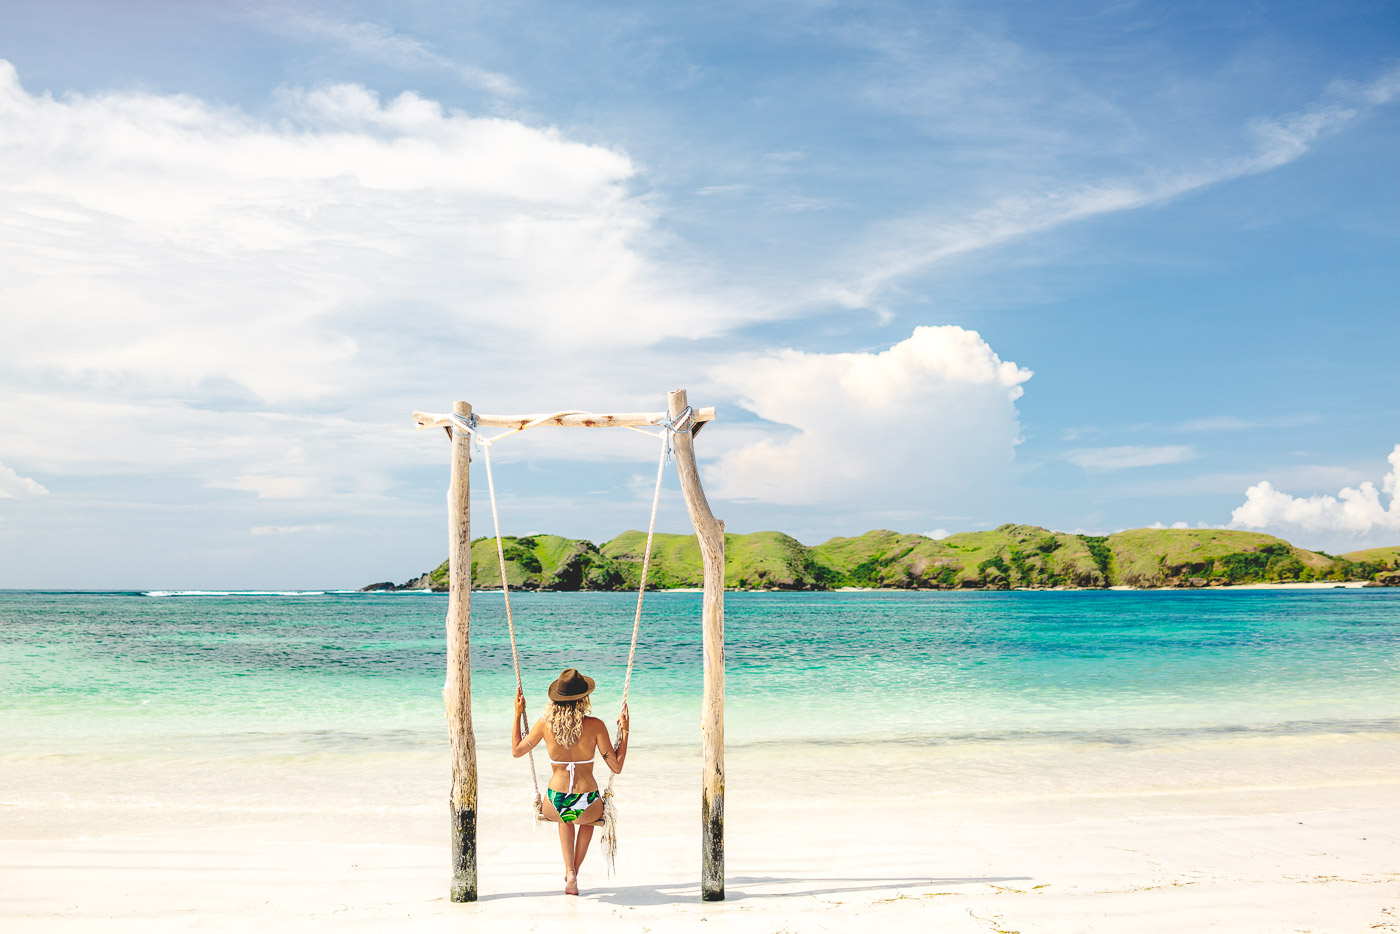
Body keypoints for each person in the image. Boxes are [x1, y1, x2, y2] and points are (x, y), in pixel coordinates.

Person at [512, 667, 629, 895]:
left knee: (565, 819)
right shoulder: (595, 725)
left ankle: (570, 871)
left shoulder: (545, 725)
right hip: (588, 803)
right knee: (586, 822)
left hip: (555, 802)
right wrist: (625, 732)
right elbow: (616, 766)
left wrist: (517, 714)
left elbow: (517, 750)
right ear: (584, 698)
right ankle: (574, 871)